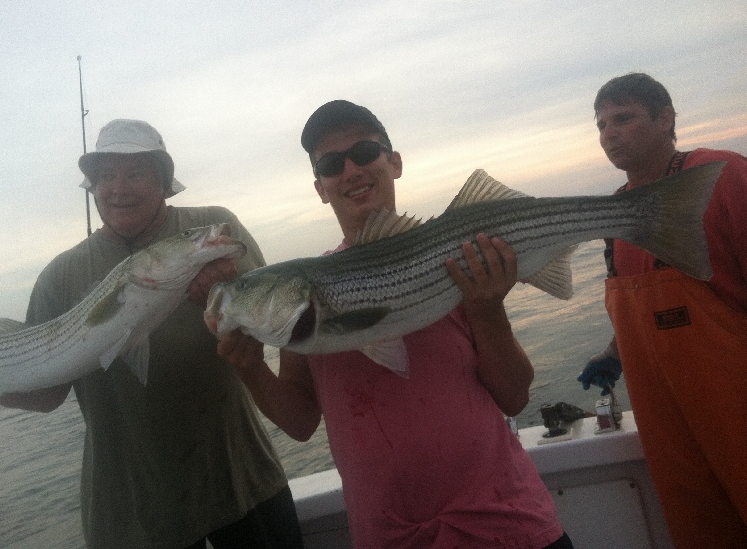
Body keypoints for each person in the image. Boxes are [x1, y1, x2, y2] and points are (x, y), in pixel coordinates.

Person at [216, 101, 573, 548]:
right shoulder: (304, 311)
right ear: (320, 188)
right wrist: (250, 368)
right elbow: (301, 421)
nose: (350, 170)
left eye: (364, 152)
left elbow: (515, 396)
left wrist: (486, 307)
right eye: (330, 164)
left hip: (507, 524)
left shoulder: (458, 262)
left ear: (394, 162)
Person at [0, 119, 304, 549]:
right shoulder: (60, 276)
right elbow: (47, 394)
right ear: (93, 187)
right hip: (132, 519)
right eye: (106, 176)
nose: (118, 188)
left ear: (164, 182)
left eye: (135, 173)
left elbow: (280, 324)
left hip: (243, 484)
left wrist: (228, 298)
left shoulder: (214, 228)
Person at [578, 73, 747, 548]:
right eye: (601, 123)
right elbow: (633, 303)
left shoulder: (720, 175)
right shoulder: (615, 215)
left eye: (623, 118)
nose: (609, 133)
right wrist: (613, 351)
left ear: (666, 118)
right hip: (668, 427)